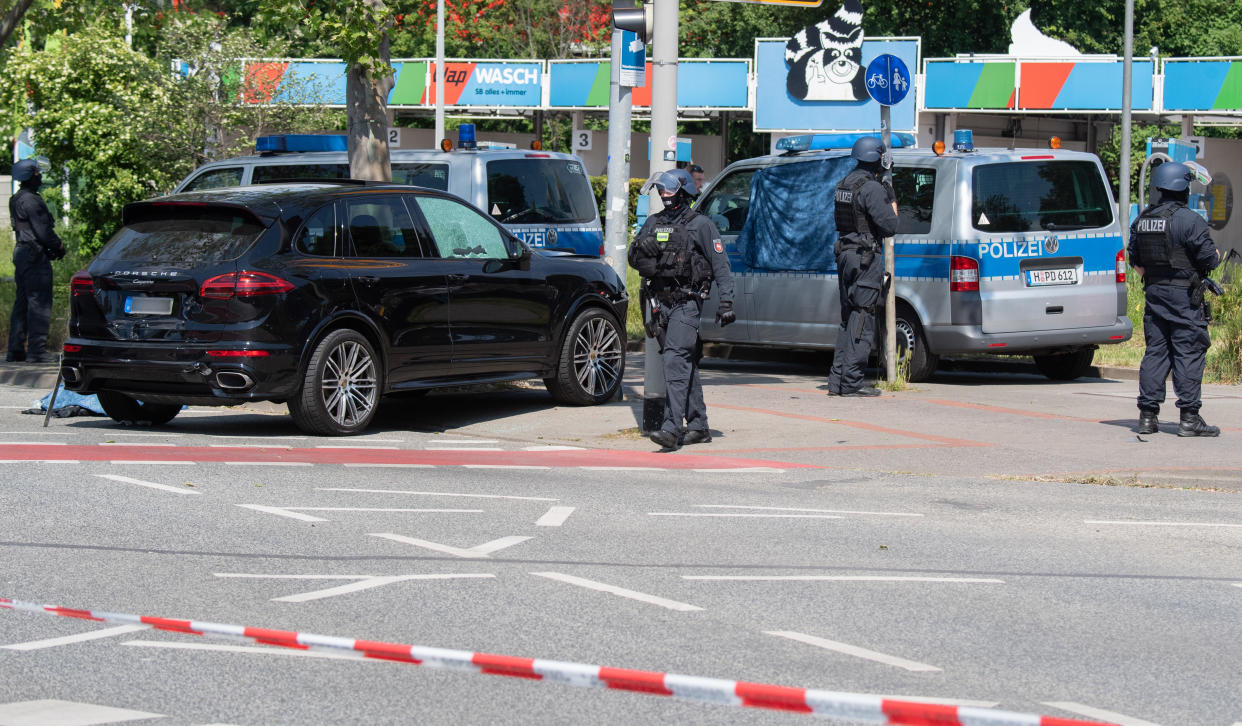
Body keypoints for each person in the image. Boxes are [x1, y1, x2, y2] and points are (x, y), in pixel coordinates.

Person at [629, 168, 735, 450]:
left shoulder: (701, 225)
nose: (664, 195)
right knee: (683, 364)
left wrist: (726, 301)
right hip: (658, 304)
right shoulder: (653, 222)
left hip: (686, 303)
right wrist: (643, 248)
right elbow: (633, 256)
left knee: (675, 361)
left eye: (669, 191)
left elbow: (720, 265)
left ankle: (671, 428)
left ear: (684, 192)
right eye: (661, 190)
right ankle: (699, 426)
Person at [1128, 161, 1221, 437]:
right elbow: (1209, 260)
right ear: (1182, 187)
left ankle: (1147, 417)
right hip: (1184, 298)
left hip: (1154, 295)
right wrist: (1214, 256)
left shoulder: (1142, 220)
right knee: (1189, 350)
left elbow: (1136, 262)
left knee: (1156, 352)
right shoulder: (1190, 220)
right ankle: (1190, 418)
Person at [826, 136, 898, 397]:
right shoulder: (872, 188)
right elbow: (890, 226)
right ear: (877, 159)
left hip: (845, 254)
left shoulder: (844, 184)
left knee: (849, 318)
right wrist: (889, 193)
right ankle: (852, 382)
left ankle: (837, 381)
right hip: (864, 258)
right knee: (863, 317)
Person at [8, 159, 66, 364]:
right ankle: (37, 351)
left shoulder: (16, 198)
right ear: (31, 176)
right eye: (38, 174)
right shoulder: (31, 200)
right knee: (39, 304)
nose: (40, 177)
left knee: (22, 303)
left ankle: (15, 350)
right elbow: (42, 231)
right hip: (34, 256)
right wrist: (58, 246)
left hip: (22, 254)